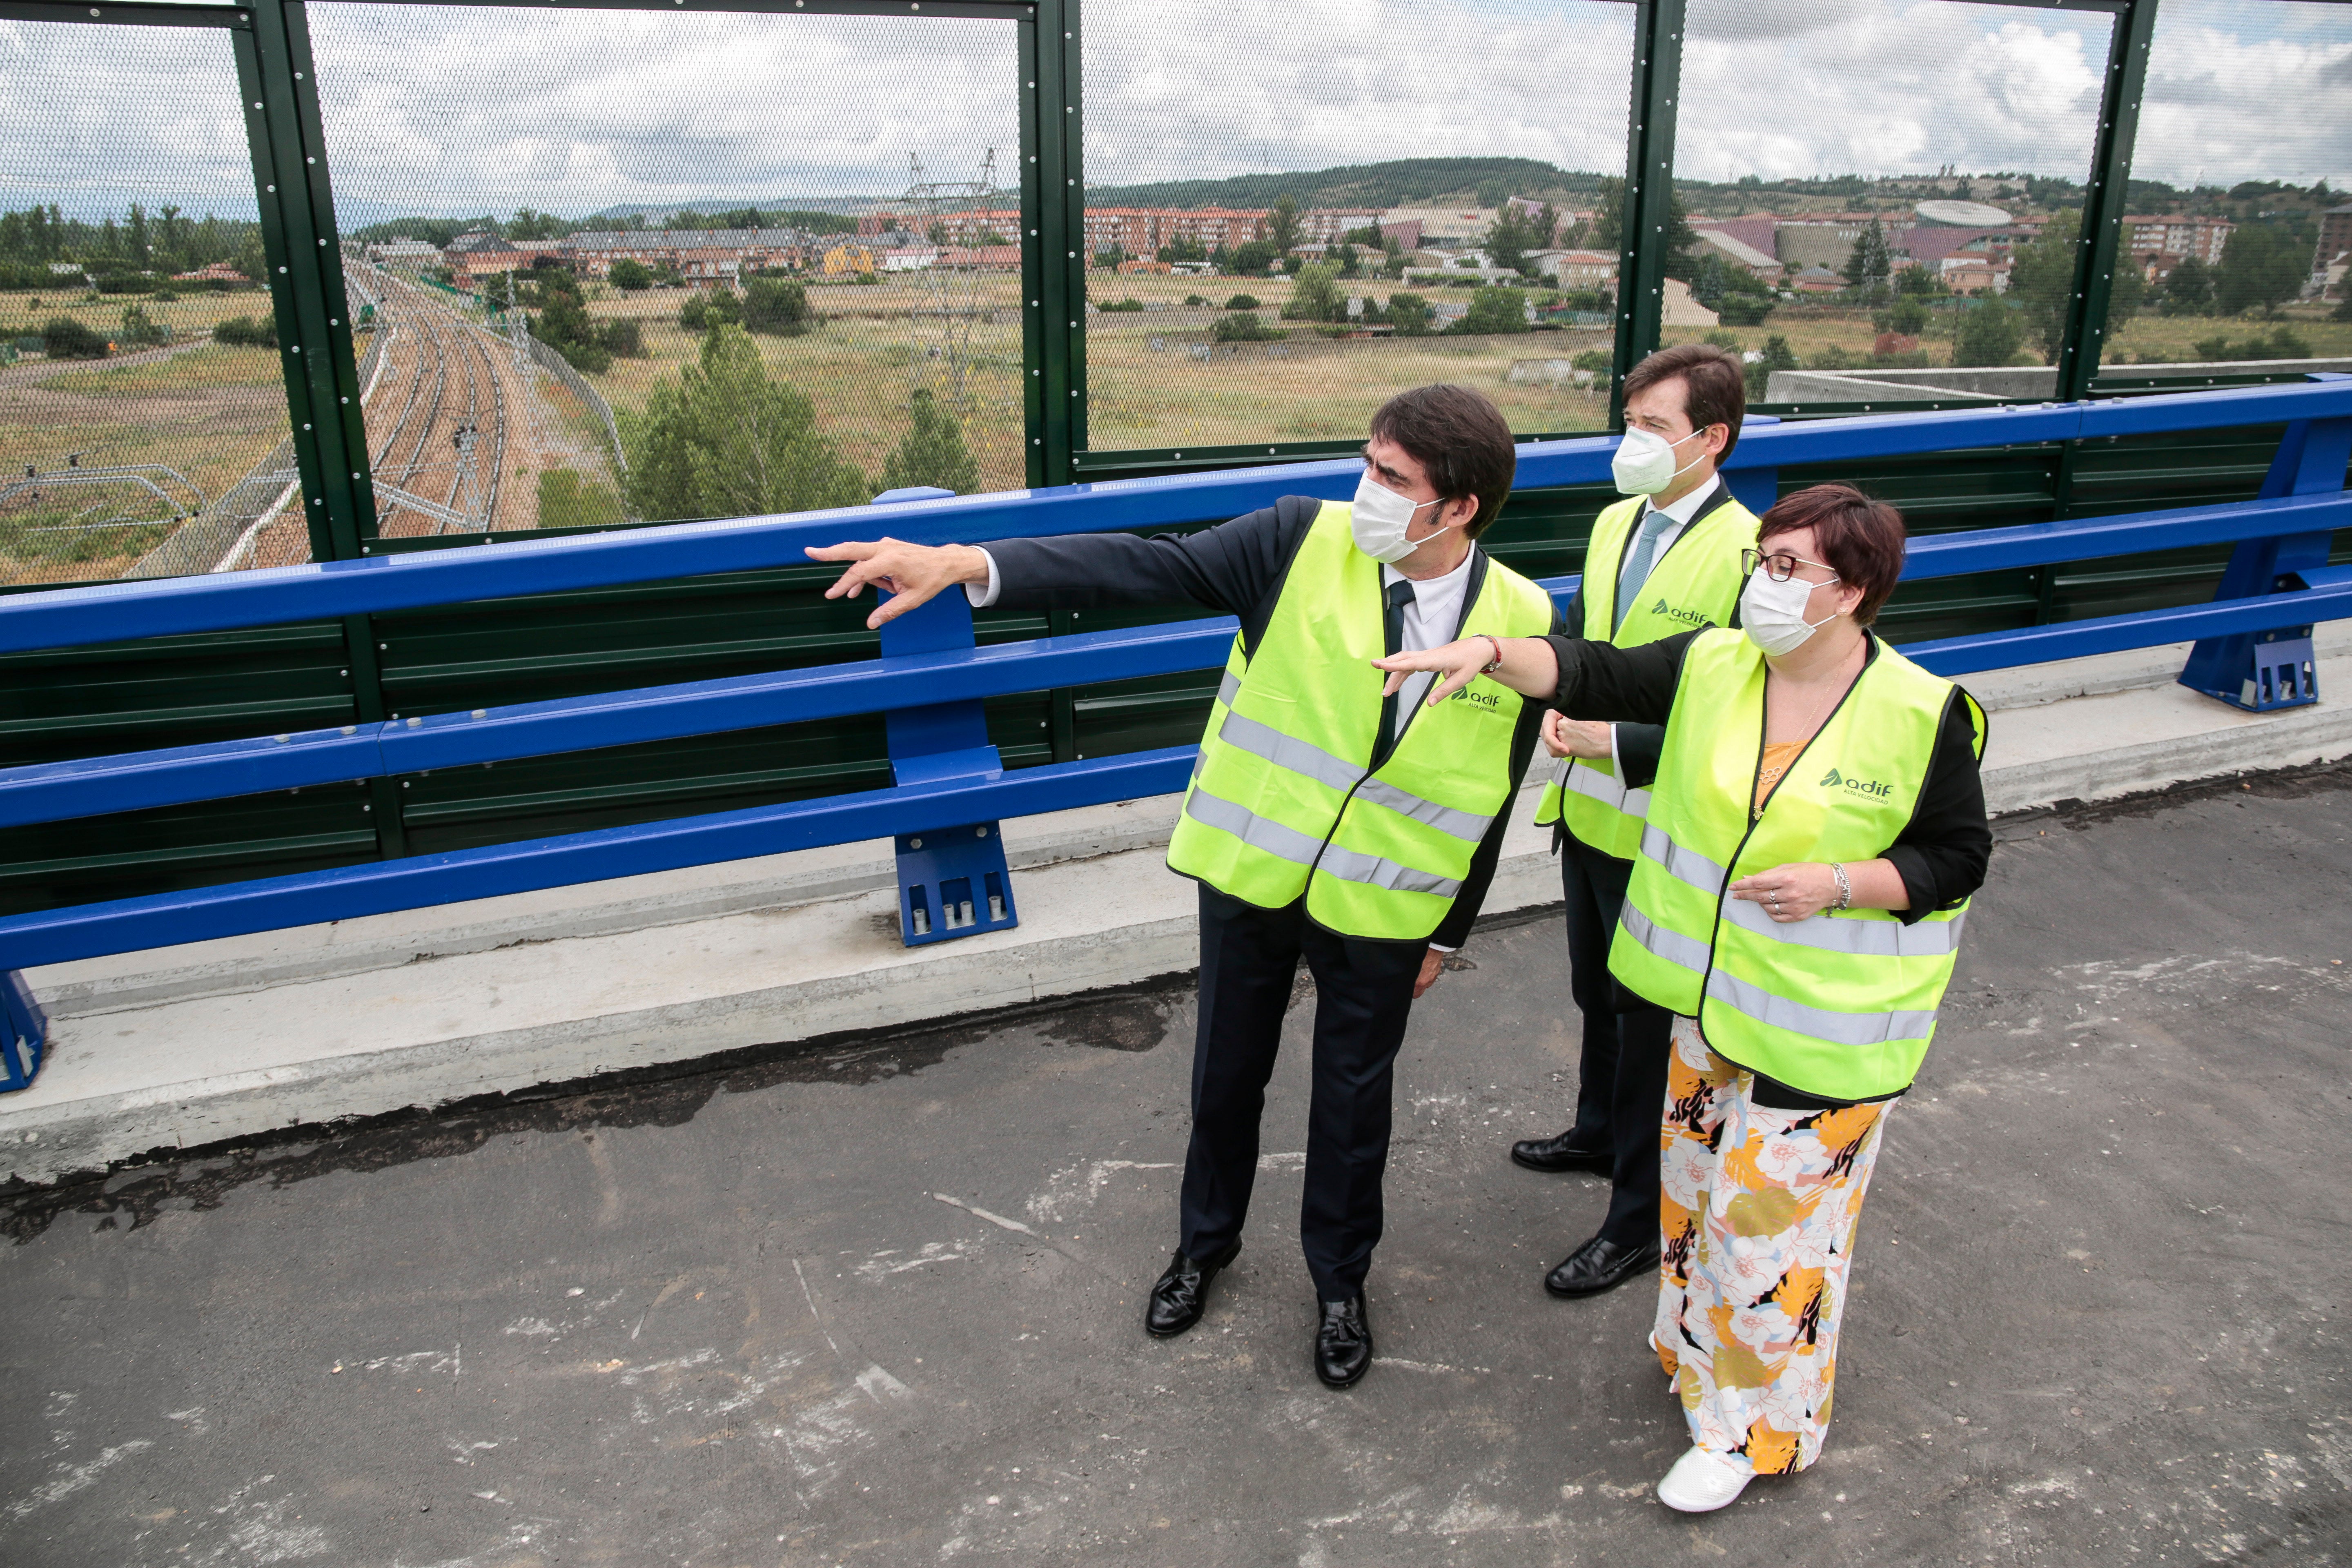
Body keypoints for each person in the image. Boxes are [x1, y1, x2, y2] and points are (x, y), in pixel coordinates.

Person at [806, 385, 1560, 1389]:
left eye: (1390, 478)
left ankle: (1340, 1283)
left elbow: (1492, 786)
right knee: (1226, 1073)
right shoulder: (1298, 540)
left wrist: (1447, 933)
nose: (1363, 489)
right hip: (1256, 873)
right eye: (1367, 463)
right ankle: (1203, 1248)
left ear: (1457, 508)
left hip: (1386, 901)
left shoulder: (1520, 618)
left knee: (1353, 1100)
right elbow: (1142, 565)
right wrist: (969, 566)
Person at [1369, 483, 1989, 1511]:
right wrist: (1492, 651)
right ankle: (1699, 1352)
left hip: (1822, 1034)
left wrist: (1841, 884)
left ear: (1857, 591)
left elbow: (1957, 859)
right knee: (1697, 1201)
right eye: (1764, 561)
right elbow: (1592, 668)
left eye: (1791, 570)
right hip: (1710, 1009)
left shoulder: (1921, 712)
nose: (1765, 584)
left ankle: (1750, 1436)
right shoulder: (1717, 664)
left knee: (1765, 1234)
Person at [1513, 343, 1762, 1304]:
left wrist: (1612, 743)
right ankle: (1595, 1130)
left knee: (1647, 1020)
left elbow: (1732, 711)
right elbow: (1585, 632)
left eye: (1655, 427)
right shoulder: (1620, 520)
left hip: (1660, 820)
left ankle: (1634, 1217)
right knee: (1595, 993)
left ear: (1713, 439)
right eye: (1630, 422)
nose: (1633, 442)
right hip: (1586, 810)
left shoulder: (1749, 553)